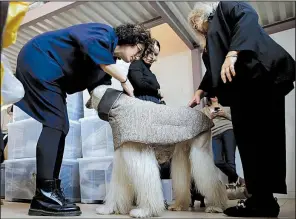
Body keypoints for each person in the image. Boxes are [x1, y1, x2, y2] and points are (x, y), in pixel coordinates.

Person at [14, 23, 151, 216]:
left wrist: (124, 109)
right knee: (55, 123)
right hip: (39, 59)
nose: (138, 57)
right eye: (139, 51)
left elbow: (100, 92)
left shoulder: (105, 64)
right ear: (132, 40)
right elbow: (90, 44)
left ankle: (49, 191)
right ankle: (44, 194)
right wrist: (124, 80)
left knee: (60, 125)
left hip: (51, 75)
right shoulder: (104, 33)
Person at [188, 2, 295, 217]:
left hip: (261, 80)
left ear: (201, 20)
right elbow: (214, 69)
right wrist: (200, 91)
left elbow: (248, 16)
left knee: (263, 141)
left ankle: (262, 201)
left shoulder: (227, 7)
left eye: (197, 27)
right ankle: (261, 200)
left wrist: (233, 53)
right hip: (245, 91)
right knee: (250, 145)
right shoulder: (216, 40)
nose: (199, 31)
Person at [202, 96, 247, 199]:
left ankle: (233, 192)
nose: (214, 96)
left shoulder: (226, 106)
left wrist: (225, 114)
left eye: (216, 94)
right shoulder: (204, 110)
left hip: (228, 130)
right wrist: (210, 117)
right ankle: (239, 180)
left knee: (231, 160)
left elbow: (236, 120)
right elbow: (203, 125)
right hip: (214, 134)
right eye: (211, 95)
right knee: (217, 160)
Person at [128, 38, 163, 104]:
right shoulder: (136, 63)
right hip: (143, 102)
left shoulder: (150, 73)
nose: (153, 57)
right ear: (144, 50)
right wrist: (157, 91)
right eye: (150, 52)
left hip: (153, 103)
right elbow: (140, 84)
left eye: (155, 54)